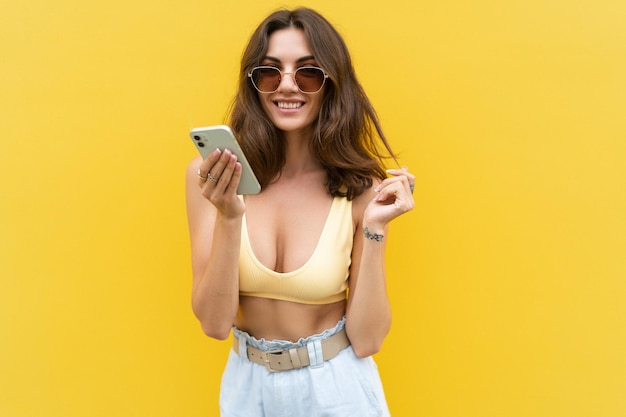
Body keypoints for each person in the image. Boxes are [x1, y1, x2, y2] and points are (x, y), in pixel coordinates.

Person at [185, 7, 415, 416]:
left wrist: (375, 230)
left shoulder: (360, 190)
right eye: (270, 72)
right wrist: (229, 218)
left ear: (331, 84)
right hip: (247, 387)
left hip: (336, 390)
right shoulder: (213, 177)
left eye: (308, 72)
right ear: (253, 84)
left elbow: (367, 340)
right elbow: (214, 324)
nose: (287, 86)